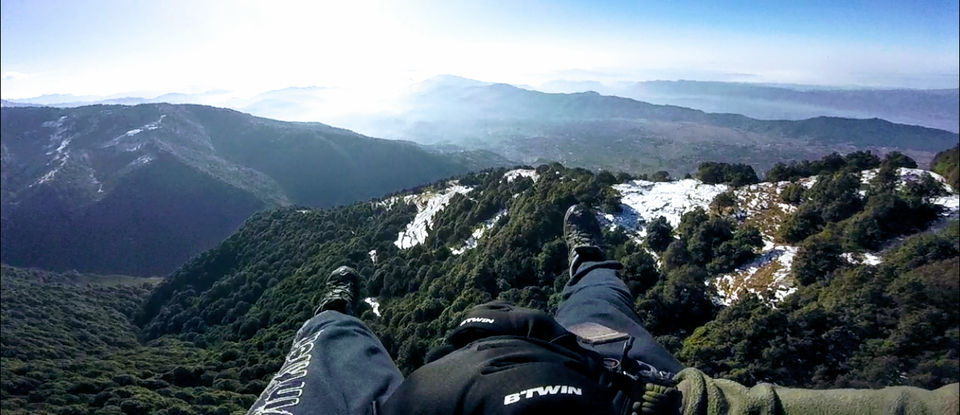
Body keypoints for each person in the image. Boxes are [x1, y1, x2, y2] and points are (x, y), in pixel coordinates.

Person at [246, 205, 959, 415]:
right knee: (598, 297)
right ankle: (589, 257)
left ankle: (334, 310)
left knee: (330, 345)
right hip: (627, 387)